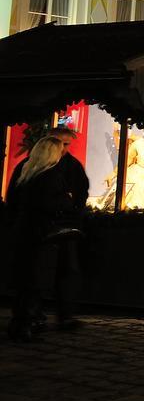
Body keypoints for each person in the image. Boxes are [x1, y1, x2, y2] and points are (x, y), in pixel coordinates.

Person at [7, 133, 88, 342]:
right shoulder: (49, 175)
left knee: (29, 279)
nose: (64, 150)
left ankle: (26, 321)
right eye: (62, 146)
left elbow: (14, 202)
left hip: (28, 233)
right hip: (45, 233)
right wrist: (67, 201)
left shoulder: (28, 171)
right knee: (36, 279)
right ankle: (28, 323)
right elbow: (54, 203)